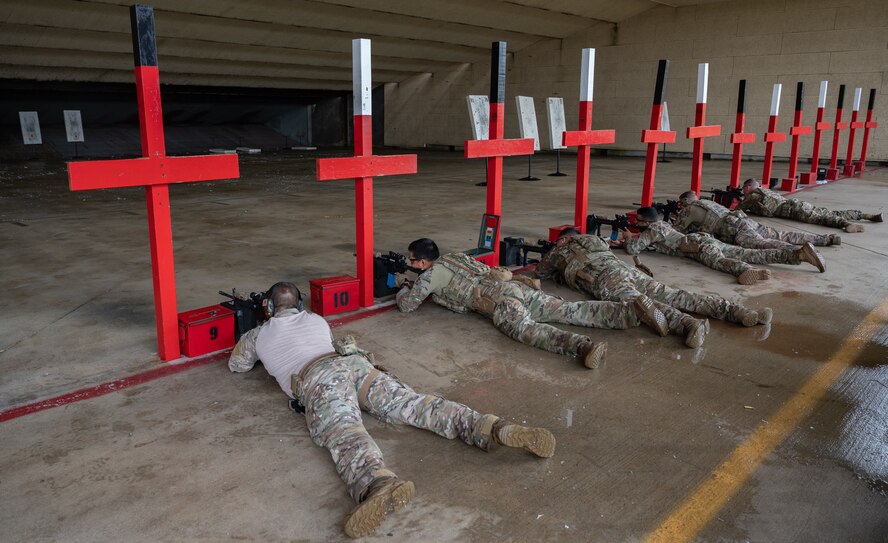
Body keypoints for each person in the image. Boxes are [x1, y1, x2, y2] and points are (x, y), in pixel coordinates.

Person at [229, 282, 557, 539]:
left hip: (319, 379)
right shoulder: (316, 320)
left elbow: (237, 365)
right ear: (300, 305)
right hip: (354, 364)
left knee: (344, 432)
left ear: (270, 306)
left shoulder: (257, 336)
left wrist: (259, 330)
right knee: (413, 404)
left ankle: (378, 483)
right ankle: (491, 427)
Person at [396, 238, 669, 369]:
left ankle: (583, 346)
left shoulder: (429, 275)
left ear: (421, 262)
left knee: (527, 330)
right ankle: (629, 311)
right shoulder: (456, 256)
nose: (411, 264)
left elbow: (407, 305)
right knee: (567, 309)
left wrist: (402, 287)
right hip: (513, 286)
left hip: (498, 302)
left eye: (411, 260)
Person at [537, 228, 773, 349]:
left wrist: (551, 254)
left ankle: (687, 324)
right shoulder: (595, 240)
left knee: (643, 306)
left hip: (603, 279)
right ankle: (738, 311)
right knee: (674, 294)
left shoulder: (558, 251)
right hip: (628, 270)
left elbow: (542, 273)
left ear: (563, 240)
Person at [615, 206, 826, 284]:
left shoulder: (653, 230)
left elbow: (633, 250)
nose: (636, 224)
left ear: (646, 221)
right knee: (747, 251)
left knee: (722, 262)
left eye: (638, 221)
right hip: (704, 239)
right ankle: (798, 253)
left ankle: (745, 270)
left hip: (697, 247)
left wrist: (627, 238)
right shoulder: (660, 226)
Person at [675, 191, 839, 250]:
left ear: (685, 201)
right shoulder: (708, 202)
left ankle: (801, 251)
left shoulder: (689, 209)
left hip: (736, 229)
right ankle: (824, 239)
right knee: (780, 234)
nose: (681, 207)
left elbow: (677, 231)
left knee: (765, 244)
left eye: (681, 203)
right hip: (745, 221)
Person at [739, 178, 881, 232]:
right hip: (797, 204)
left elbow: (739, 210)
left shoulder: (753, 196)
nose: (743, 191)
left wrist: (739, 200)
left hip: (792, 210)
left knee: (819, 219)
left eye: (744, 188)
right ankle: (864, 215)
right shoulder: (764, 191)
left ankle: (845, 224)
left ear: (748, 187)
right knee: (828, 213)